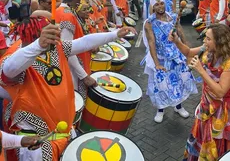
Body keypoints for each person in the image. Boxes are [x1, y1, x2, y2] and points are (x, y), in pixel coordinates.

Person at [0, 16, 133, 161]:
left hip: (64, 132)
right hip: (37, 142)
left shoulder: (56, 48)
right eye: (47, 31)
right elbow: (9, 70)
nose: (55, 34)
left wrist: (114, 35)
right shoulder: (16, 56)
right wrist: (38, 45)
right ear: (37, 34)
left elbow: (83, 43)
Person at [170, 24, 230, 161]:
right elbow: (188, 52)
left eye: (208, 39)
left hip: (224, 111)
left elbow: (220, 92)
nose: (204, 42)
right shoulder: (207, 51)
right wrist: (177, 40)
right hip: (207, 106)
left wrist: (201, 70)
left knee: (219, 146)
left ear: (219, 42)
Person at [142, 0, 197, 123]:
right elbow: (151, 43)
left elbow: (181, 33)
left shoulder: (173, 17)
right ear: (152, 7)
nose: (160, 6)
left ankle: (178, 107)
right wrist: (156, 63)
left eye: (161, 3)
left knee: (178, 82)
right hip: (161, 58)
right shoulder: (149, 23)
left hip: (176, 56)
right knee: (161, 85)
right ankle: (160, 110)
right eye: (156, 4)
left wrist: (187, 53)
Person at [55, 0, 96, 98]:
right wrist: (84, 76)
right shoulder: (67, 15)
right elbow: (67, 49)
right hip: (71, 69)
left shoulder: (60, 10)